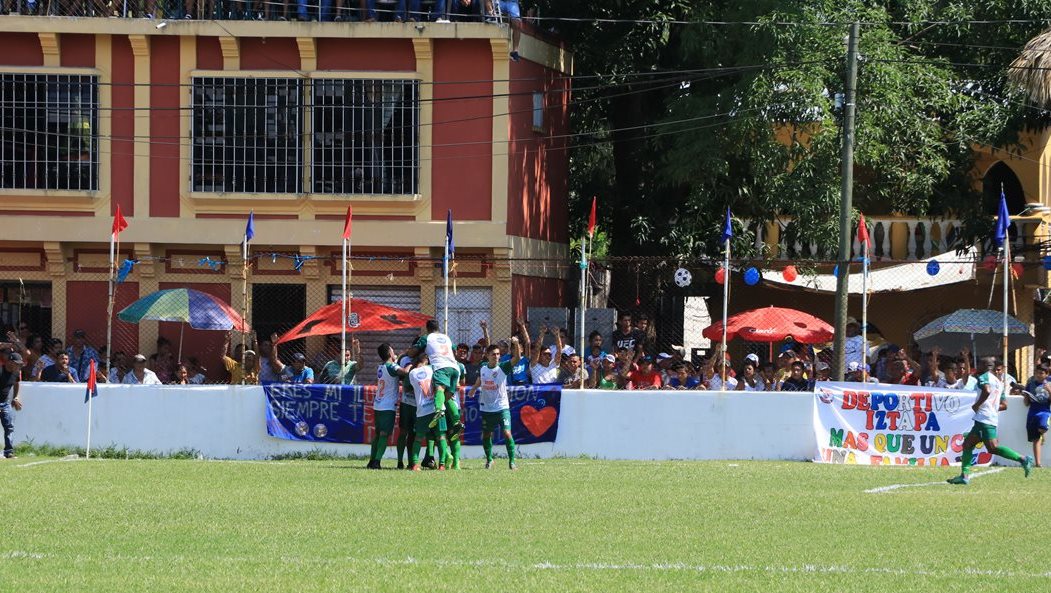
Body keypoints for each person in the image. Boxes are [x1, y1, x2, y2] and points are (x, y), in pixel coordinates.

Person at [948, 357, 1034, 484]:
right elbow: (1004, 404)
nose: (977, 366)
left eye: (980, 364)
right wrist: (991, 407)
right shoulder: (999, 382)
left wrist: (978, 405)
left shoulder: (985, 377)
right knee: (967, 444)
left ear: (986, 366)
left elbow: (986, 390)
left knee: (993, 448)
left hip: (984, 418)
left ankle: (1023, 459)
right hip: (987, 418)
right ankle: (964, 476)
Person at [409, 320, 463, 467]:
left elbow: (413, 351)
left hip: (441, 367)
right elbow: (453, 350)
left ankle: (438, 410)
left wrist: (412, 352)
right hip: (454, 368)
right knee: (448, 398)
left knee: (439, 390)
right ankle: (457, 420)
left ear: (427, 329)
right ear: (438, 328)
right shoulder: (447, 337)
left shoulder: (427, 338)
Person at [470, 340, 520, 469]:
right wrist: (474, 388)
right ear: (487, 355)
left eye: (498, 354)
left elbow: (517, 358)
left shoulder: (503, 367)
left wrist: (516, 344)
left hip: (502, 407)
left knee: (507, 433)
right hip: (486, 408)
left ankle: (512, 462)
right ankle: (489, 459)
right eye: (493, 354)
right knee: (486, 434)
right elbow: (481, 379)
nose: (497, 356)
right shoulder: (483, 367)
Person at [367, 343, 409, 470]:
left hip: (378, 404)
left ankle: (371, 460)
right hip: (387, 406)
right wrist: (411, 364)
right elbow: (405, 372)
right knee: (384, 434)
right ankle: (377, 461)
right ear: (390, 353)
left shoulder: (381, 367)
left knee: (378, 434)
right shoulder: (392, 367)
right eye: (393, 350)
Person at [408, 353, 449, 471]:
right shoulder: (434, 369)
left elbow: (407, 387)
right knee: (441, 437)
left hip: (422, 410)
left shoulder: (412, 373)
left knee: (418, 437)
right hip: (437, 407)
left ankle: (415, 464)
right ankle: (441, 465)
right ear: (427, 360)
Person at [1023, 363, 1051, 467]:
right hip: (1032, 411)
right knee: (1035, 439)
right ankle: (1038, 463)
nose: (1038, 375)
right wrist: (1025, 395)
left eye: (1041, 373)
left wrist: (1049, 389)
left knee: (1042, 428)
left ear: (1046, 374)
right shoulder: (1031, 383)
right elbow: (1026, 403)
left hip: (1044, 410)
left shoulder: (1049, 383)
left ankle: (1043, 433)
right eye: (1037, 373)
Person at [1, 352, 25, 459]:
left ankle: (9, 452)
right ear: (10, 362)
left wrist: (15, 397)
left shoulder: (16, 373)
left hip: (6, 403)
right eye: (17, 363)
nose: (19, 366)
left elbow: (16, 383)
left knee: (9, 427)